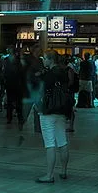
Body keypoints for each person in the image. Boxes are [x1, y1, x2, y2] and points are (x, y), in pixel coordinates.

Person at [35, 51, 78, 183]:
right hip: (62, 110)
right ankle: (63, 171)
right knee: (62, 141)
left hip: (48, 110)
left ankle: (49, 175)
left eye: (45, 58)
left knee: (50, 143)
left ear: (50, 60)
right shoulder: (64, 72)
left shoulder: (48, 75)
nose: (43, 60)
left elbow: (42, 91)